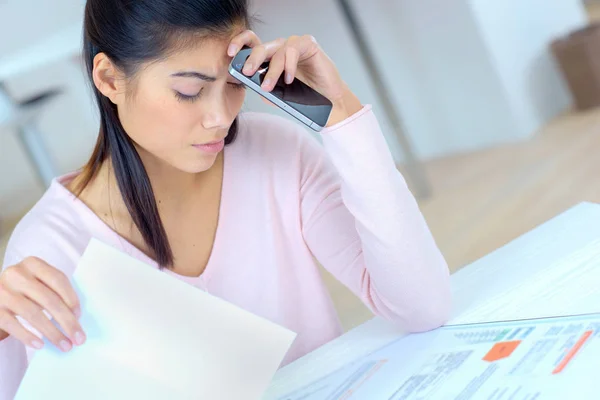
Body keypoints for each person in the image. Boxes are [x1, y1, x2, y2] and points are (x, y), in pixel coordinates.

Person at [0, 0, 451, 397]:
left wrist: (342, 114)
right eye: (189, 91)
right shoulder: (51, 249)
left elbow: (421, 307)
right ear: (109, 78)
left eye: (235, 84)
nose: (219, 117)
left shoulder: (278, 152)